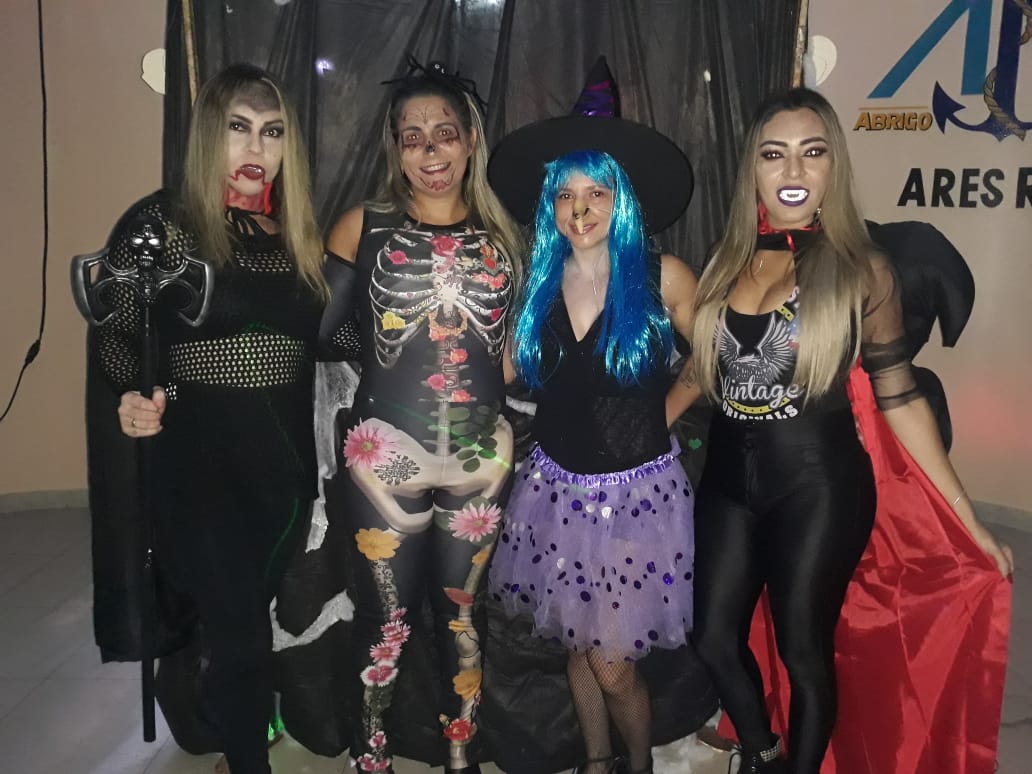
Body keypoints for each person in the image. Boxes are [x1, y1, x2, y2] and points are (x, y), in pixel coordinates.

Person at [667, 87, 1014, 774]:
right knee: (712, 638)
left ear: (834, 166)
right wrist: (647, 428)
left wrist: (967, 518)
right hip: (729, 480)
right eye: (774, 154)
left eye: (812, 152)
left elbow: (899, 395)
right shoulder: (727, 258)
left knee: (803, 651)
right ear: (753, 168)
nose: (793, 171)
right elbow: (706, 368)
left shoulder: (862, 269)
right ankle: (763, 751)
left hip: (819, 485)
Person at [104, 63, 326, 774]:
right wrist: (132, 394)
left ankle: (227, 721)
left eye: (273, 132)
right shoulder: (163, 226)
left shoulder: (295, 236)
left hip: (282, 475)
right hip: (199, 469)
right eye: (238, 128)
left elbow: (337, 337)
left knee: (245, 621)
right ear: (208, 135)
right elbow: (119, 334)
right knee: (238, 631)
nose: (256, 149)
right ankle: (247, 757)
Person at [486, 59, 697, 774]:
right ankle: (598, 761)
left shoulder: (664, 277)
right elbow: (497, 371)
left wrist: (666, 411)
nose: (580, 209)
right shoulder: (539, 286)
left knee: (612, 662)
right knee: (578, 646)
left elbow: (715, 357)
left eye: (596, 192)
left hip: (637, 500)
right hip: (555, 493)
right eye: (565, 194)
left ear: (621, 199)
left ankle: (637, 764)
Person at [316, 61, 524, 774]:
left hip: (481, 462)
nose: (431, 151)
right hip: (385, 458)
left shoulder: (508, 233)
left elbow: (523, 344)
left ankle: (461, 757)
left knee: (464, 617)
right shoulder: (363, 226)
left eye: (445, 133)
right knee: (385, 621)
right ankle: (369, 758)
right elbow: (317, 331)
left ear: (471, 139)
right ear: (395, 148)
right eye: (413, 137)